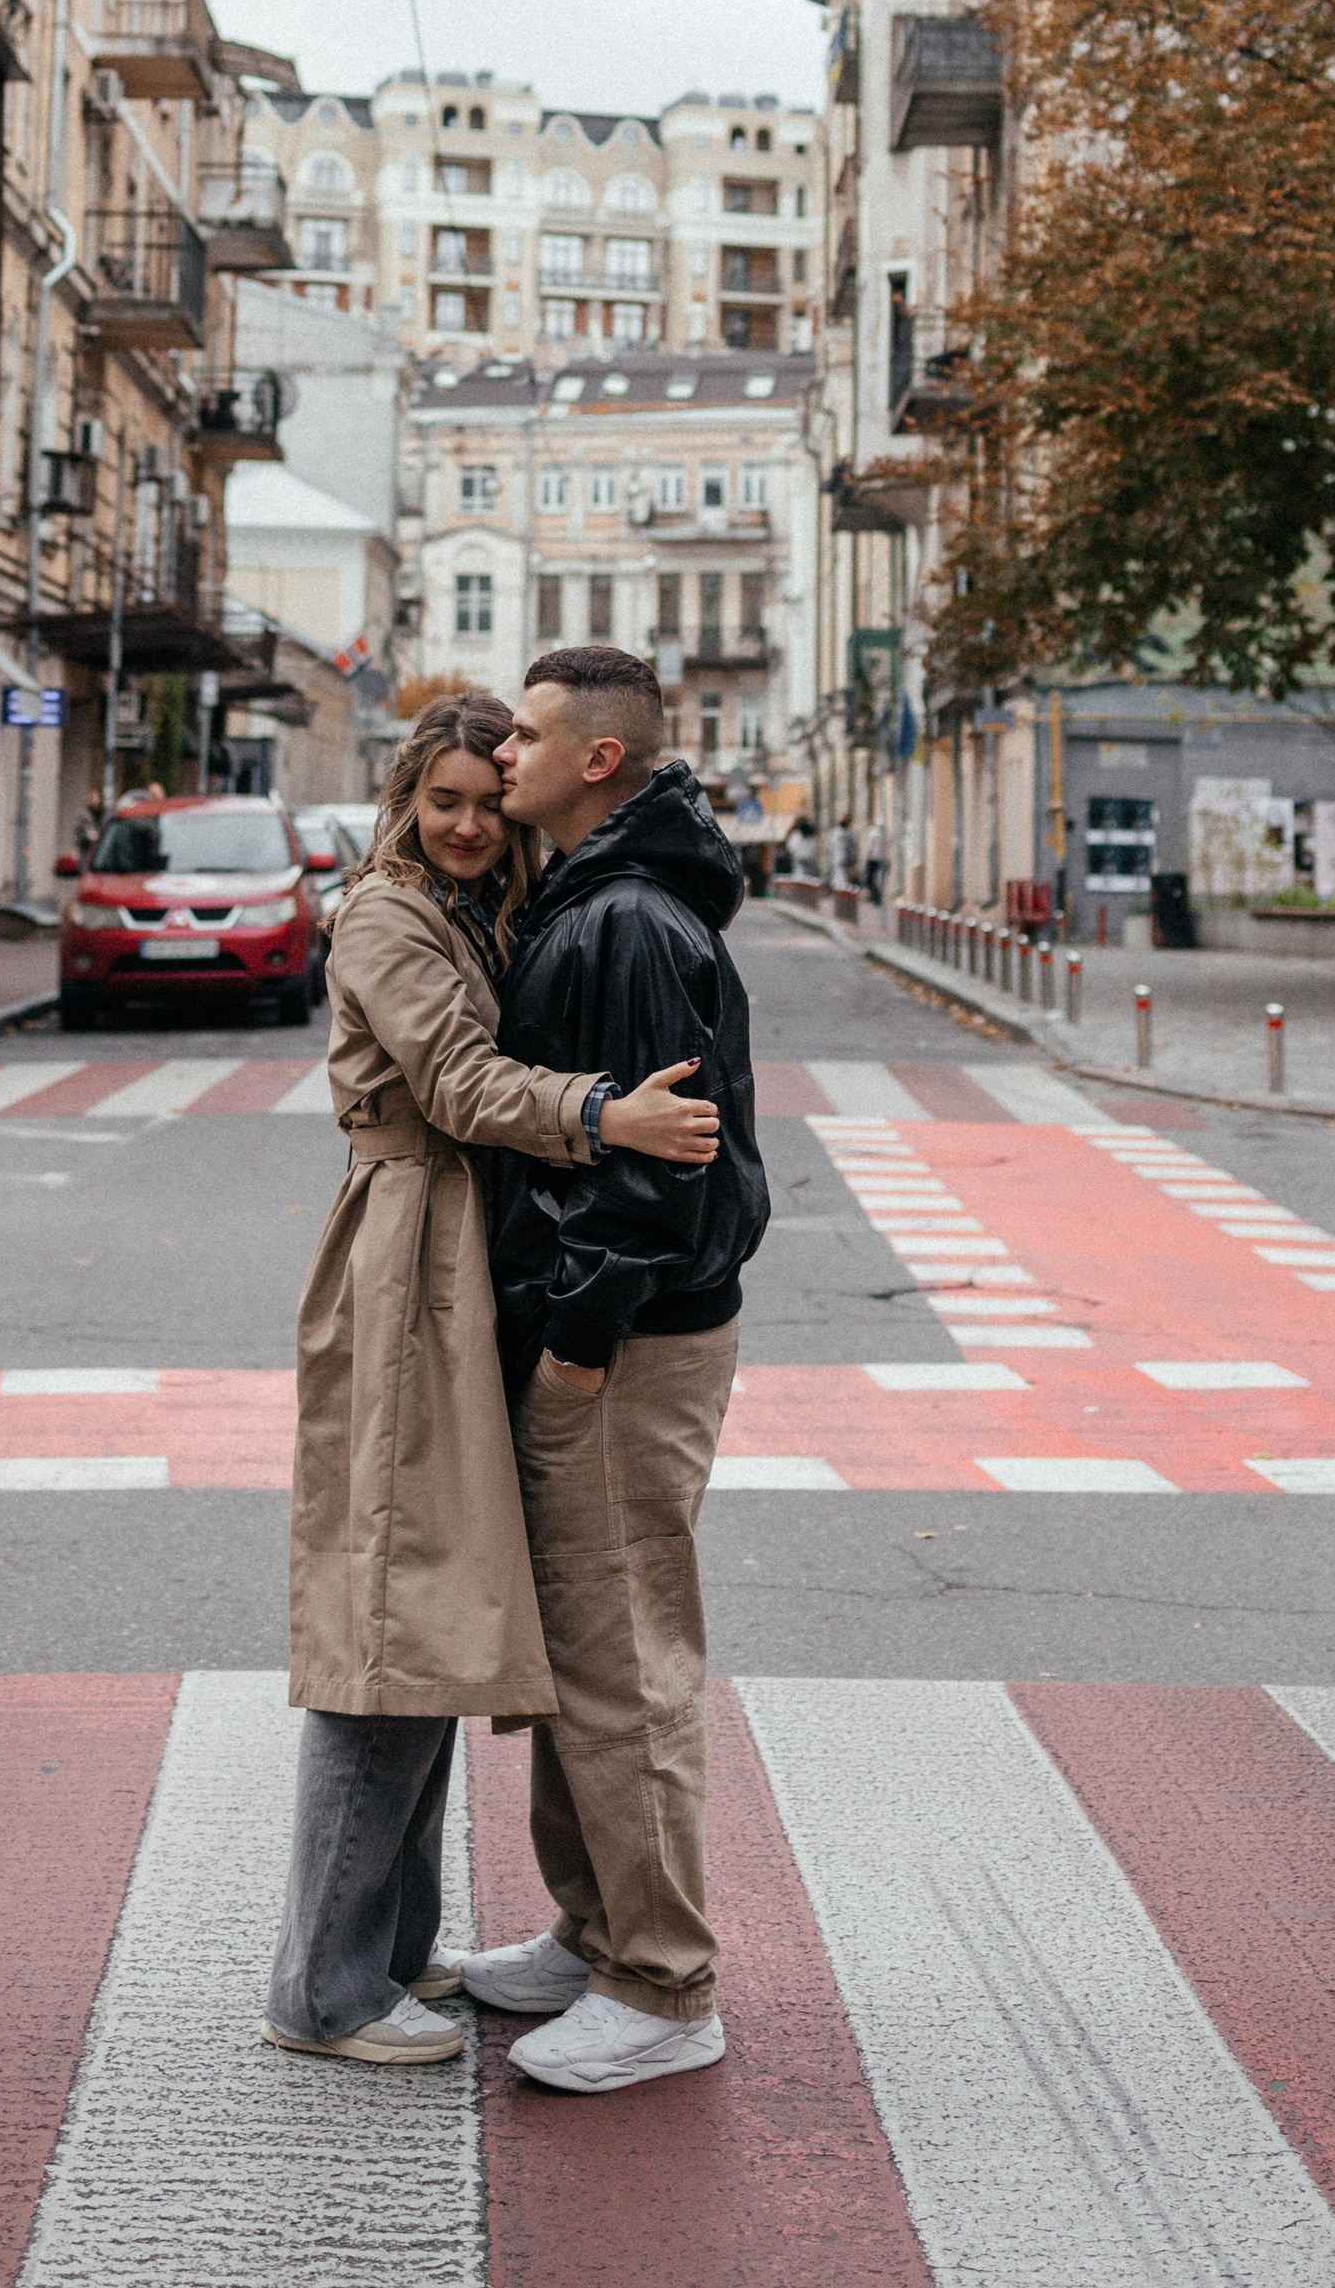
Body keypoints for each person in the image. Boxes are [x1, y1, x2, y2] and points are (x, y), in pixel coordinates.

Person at [263, 690, 720, 2068]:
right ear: (406, 798)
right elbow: (458, 1085)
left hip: (471, 1266)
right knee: (392, 1617)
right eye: (443, 799)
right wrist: (606, 1113)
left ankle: (392, 1953)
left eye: (484, 797)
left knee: (440, 1619)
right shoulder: (389, 915)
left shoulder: (499, 902)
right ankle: (324, 1990)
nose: (468, 822)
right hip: (409, 1264)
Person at [452, 643, 770, 2096]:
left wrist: (578, 1345)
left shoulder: (629, 918)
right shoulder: (592, 894)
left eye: (522, 736)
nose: (497, 754)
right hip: (601, 1331)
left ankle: (664, 1982)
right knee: (583, 1657)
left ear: (596, 760)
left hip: (626, 1345)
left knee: (624, 1659)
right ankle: (594, 1937)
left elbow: (667, 1169)